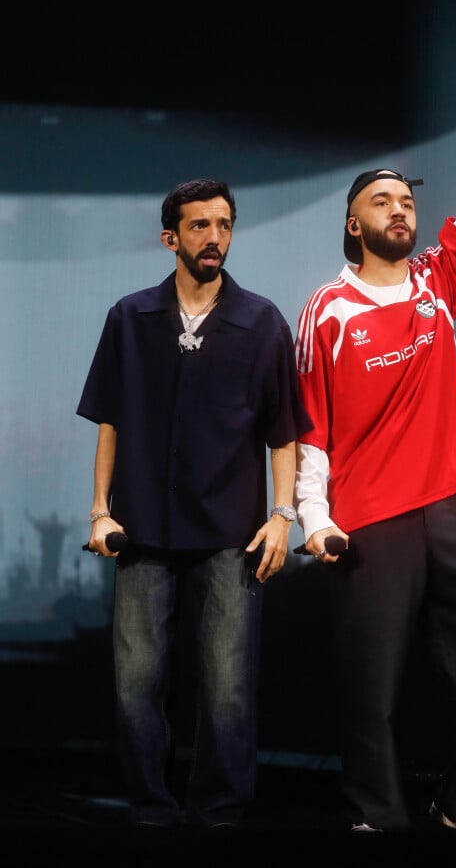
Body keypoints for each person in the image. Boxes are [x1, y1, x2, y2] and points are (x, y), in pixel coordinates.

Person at [293, 61, 456, 833]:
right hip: (365, 518)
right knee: (373, 684)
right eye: (381, 201)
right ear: (351, 223)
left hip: (448, 504)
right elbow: (308, 426)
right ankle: (377, 814)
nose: (400, 211)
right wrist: (312, 516)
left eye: (405, 201)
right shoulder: (326, 312)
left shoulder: (438, 281)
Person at [76, 178, 311, 830]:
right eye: (201, 225)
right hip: (143, 528)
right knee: (134, 685)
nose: (215, 237)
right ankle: (152, 810)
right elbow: (110, 421)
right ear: (170, 237)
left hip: (230, 533)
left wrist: (283, 517)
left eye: (224, 224)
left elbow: (283, 432)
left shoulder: (260, 321)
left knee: (228, 689)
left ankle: (219, 817)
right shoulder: (132, 317)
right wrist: (100, 509)